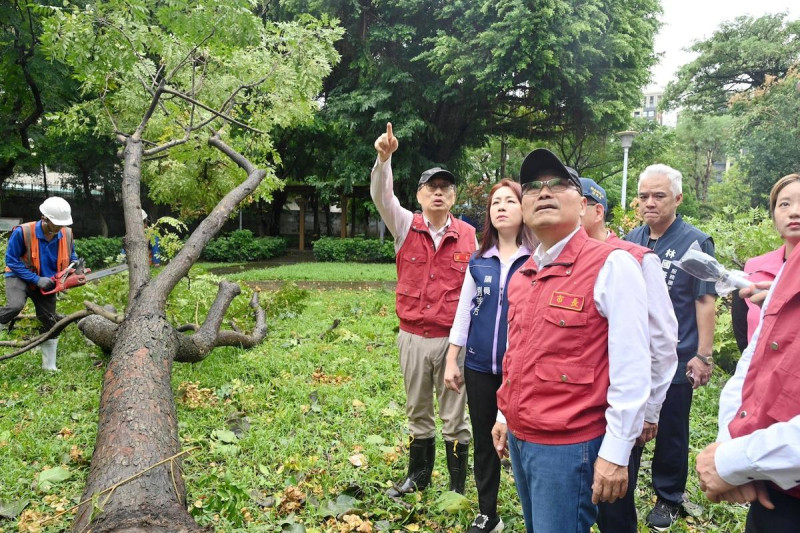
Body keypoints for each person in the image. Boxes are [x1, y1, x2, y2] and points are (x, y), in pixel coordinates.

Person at [491, 149, 651, 533]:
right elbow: (518, 353)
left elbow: (632, 369)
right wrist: (502, 415)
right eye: (532, 187)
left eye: (557, 184)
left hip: (569, 447)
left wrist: (615, 452)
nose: (543, 192)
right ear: (524, 206)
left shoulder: (613, 265)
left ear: (582, 205)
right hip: (521, 436)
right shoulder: (524, 273)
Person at [370, 122, 477, 497]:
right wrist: (384, 160)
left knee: (454, 416)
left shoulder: (470, 235)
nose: (438, 192)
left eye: (445, 188)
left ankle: (457, 487)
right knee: (418, 410)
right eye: (431, 187)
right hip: (413, 337)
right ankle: (418, 477)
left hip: (452, 341)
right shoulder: (404, 226)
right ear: (418, 195)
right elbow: (383, 198)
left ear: (453, 196)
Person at [696, 173, 800, 533]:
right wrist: (736, 452)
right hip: (772, 476)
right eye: (784, 203)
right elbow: (751, 358)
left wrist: (734, 460)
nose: (793, 212)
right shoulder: (767, 271)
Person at [579, 177, 679, 532]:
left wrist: (650, 409)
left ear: (596, 210)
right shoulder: (560, 260)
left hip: (620, 405)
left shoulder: (635, 259)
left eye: (577, 202)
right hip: (577, 407)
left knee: (613, 503)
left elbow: (663, 341)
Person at [624, 164, 717, 529]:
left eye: (659, 196)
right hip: (636, 354)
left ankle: (668, 497)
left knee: (671, 430)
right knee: (633, 421)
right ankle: (625, 488)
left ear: (677, 198)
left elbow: (705, 299)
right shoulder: (633, 237)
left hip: (678, 356)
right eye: (644, 196)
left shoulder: (696, 242)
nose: (650, 203)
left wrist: (703, 354)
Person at [443, 179, 535, 533]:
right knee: (484, 438)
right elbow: (465, 312)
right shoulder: (479, 260)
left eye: (509, 201)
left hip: (522, 370)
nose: (500, 207)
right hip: (480, 365)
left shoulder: (536, 260)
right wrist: (453, 358)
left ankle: (535, 513)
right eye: (495, 202)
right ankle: (488, 512)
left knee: (522, 439)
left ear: (523, 209)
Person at [1, 197, 78, 371]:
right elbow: (11, 261)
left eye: (62, 224)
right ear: (44, 217)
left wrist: (75, 266)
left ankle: (49, 366)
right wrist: (36, 280)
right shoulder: (23, 232)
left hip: (48, 281)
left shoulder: (66, 234)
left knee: (49, 320)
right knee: (15, 306)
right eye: (56, 223)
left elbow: (71, 255)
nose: (60, 227)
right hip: (19, 276)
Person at [730, 173, 800, 350]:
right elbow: (743, 337)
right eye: (784, 204)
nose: (794, 212)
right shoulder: (753, 270)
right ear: (774, 217)